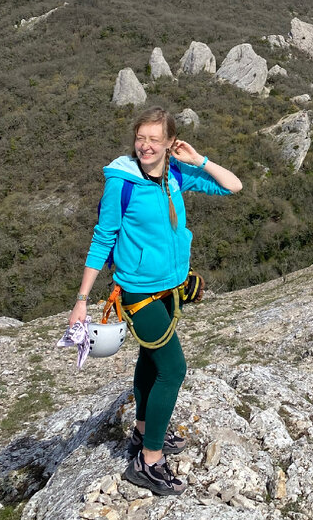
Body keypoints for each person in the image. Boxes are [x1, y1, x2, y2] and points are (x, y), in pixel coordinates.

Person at [70, 105, 242, 497]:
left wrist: (199, 159)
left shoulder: (177, 174)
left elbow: (234, 186)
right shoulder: (122, 181)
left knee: (150, 359)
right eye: (140, 138)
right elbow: (103, 237)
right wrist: (82, 300)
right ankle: (148, 462)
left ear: (169, 142)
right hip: (139, 292)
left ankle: (143, 433)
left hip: (170, 288)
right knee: (173, 368)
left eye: (154, 139)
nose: (145, 146)